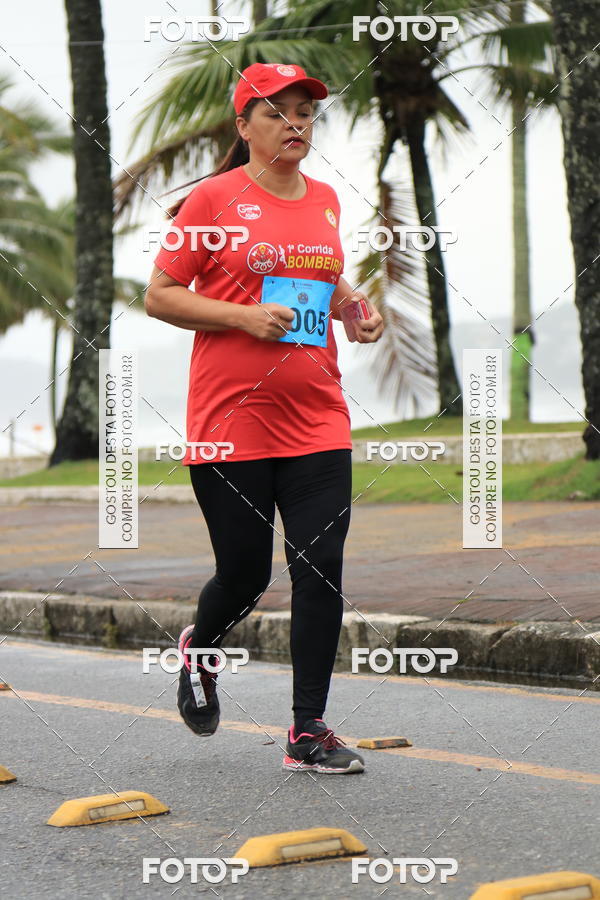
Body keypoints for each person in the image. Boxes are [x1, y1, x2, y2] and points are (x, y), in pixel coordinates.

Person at [145, 62, 384, 774]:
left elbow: (320, 278)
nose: (295, 125)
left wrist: (353, 308)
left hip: (318, 417)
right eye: (277, 113)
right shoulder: (214, 200)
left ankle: (308, 729)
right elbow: (160, 295)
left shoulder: (327, 201)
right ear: (244, 125)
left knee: (320, 567)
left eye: (305, 113)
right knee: (245, 575)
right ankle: (201, 649)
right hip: (232, 423)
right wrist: (243, 317)